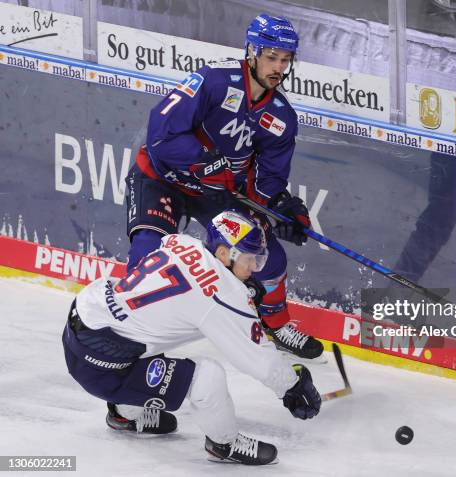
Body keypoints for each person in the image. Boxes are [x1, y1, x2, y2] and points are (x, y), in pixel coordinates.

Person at [125, 13, 323, 360]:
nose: (278, 67)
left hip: (213, 193)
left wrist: (280, 208)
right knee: (145, 254)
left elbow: (268, 180)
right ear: (251, 51)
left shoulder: (281, 117)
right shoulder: (214, 80)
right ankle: (135, 339)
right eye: (271, 57)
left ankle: (275, 326)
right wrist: (203, 157)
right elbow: (161, 133)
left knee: (267, 256)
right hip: (162, 179)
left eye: (285, 60)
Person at [62, 210, 321, 465]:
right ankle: (224, 445)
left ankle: (124, 414)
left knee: (150, 338)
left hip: (84, 319)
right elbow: (257, 358)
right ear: (223, 254)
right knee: (207, 376)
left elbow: (190, 287)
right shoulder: (222, 294)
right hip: (103, 363)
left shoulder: (181, 242)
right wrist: (293, 386)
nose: (254, 267)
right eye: (250, 259)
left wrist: (240, 290)